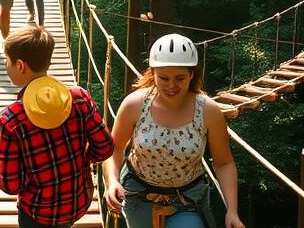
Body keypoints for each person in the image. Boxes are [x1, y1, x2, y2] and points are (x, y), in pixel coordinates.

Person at [102, 33, 245, 228]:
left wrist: (232, 210)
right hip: (138, 196)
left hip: (187, 199)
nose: (171, 85)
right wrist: (112, 182)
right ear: (152, 73)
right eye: (163, 78)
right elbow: (114, 150)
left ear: (192, 75)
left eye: (180, 78)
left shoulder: (208, 111)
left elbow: (224, 163)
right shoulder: (134, 105)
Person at [0, 25, 115, 228]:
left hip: (38, 213)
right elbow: (105, 148)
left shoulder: (10, 120)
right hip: (77, 203)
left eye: (6, 60)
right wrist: (81, 161)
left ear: (20, 65)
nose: (5, 65)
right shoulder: (80, 98)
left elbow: (10, 185)